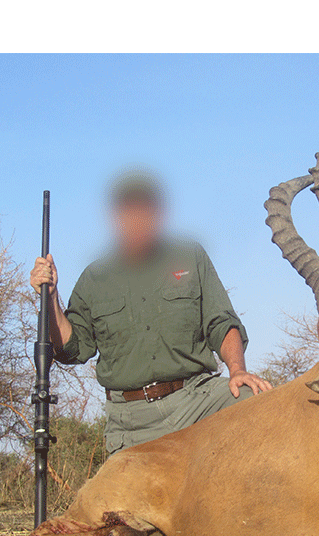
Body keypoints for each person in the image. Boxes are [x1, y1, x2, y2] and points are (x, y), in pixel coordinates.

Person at [29, 172, 272, 456]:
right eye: (130, 213)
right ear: (116, 219)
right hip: (130, 419)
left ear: (159, 214)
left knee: (259, 401)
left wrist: (238, 371)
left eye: (146, 211)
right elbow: (73, 349)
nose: (138, 221)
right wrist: (50, 298)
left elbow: (222, 322)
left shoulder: (190, 256)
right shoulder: (94, 277)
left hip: (195, 399)